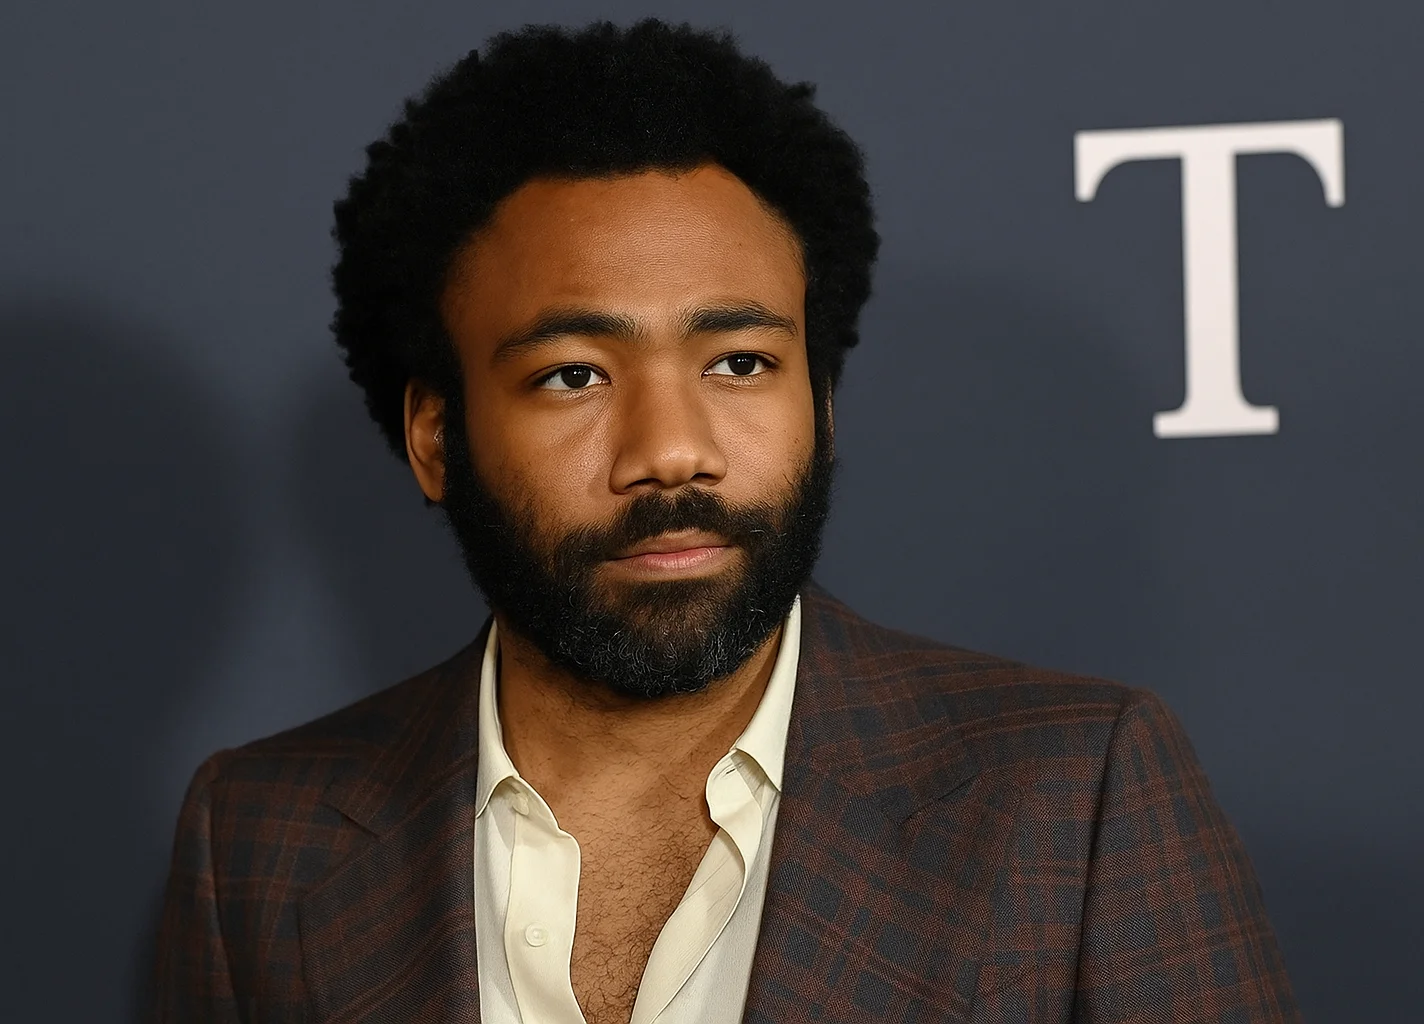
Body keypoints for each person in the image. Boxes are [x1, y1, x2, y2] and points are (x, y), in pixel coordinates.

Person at [153, 19, 1300, 1024]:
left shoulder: (1073, 795)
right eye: (572, 375)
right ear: (436, 435)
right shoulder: (258, 834)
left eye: (741, 361)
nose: (671, 450)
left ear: (823, 404)